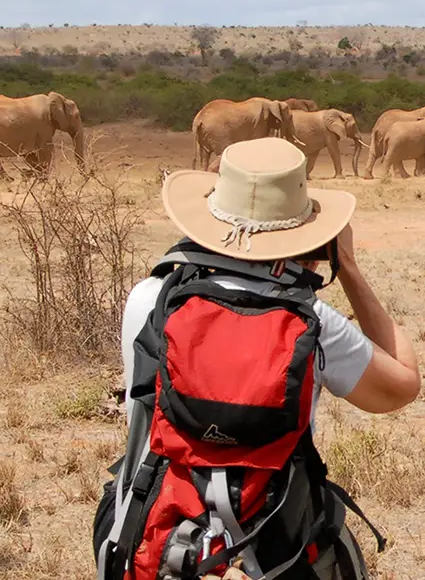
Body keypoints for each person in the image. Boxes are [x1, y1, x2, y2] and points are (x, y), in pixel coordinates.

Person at [98, 138, 420, 580]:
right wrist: (347, 265)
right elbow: (403, 384)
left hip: (158, 543)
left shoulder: (150, 301)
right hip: (271, 554)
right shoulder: (314, 323)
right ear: (304, 231)